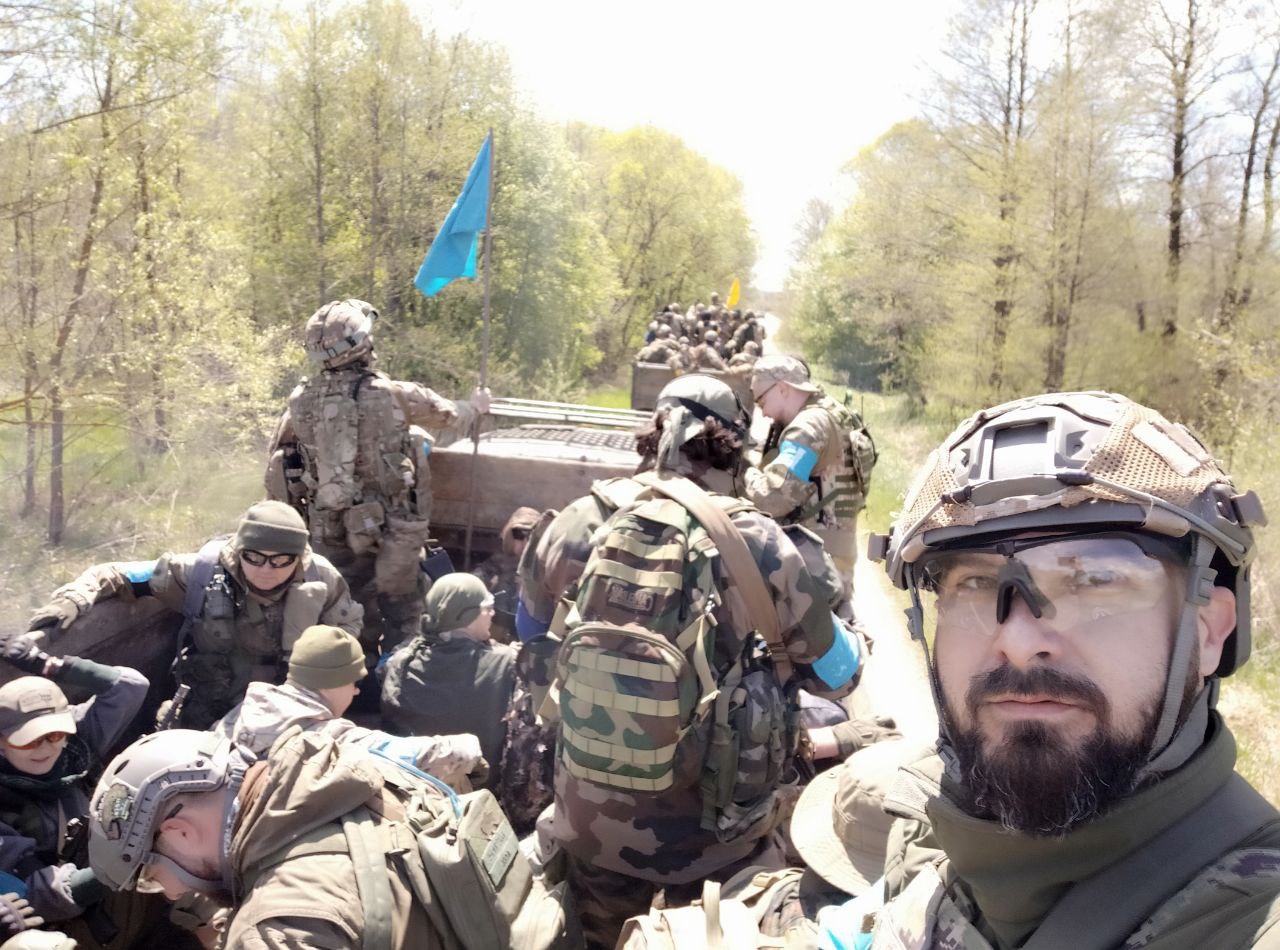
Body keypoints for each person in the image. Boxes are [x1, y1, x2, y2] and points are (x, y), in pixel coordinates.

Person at [859, 390, 1278, 948]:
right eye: (975, 583)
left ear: (1208, 631)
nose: (1017, 642)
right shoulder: (928, 830)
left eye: (1094, 580)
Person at [542, 373, 864, 948]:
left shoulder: (583, 519)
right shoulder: (758, 540)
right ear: (734, 447)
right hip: (719, 841)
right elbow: (839, 676)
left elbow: (530, 634)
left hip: (589, 822)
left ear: (655, 434)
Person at [85, 728, 447, 948]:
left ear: (180, 833)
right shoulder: (357, 773)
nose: (172, 893)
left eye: (152, 878)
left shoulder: (275, 931)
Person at [266, 298, 491, 652]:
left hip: (327, 528)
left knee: (346, 609)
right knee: (405, 613)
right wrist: (476, 407)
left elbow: (279, 460)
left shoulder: (299, 400)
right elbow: (451, 416)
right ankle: (400, 672)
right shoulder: (393, 393)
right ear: (363, 343)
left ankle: (354, 668)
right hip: (392, 530)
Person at [27, 501, 362, 730]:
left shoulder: (322, 580)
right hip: (207, 708)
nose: (266, 569)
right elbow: (118, 573)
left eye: (280, 560)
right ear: (239, 551)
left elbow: (346, 641)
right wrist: (73, 600)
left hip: (289, 710)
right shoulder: (201, 571)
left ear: (298, 557)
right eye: (254, 557)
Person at [0, 637, 161, 944]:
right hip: (72, 904)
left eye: (54, 734)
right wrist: (121, 863)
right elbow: (30, 891)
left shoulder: (75, 745)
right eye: (28, 740)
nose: (45, 748)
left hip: (111, 864)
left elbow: (130, 686)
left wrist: (48, 664)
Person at [213, 624, 485, 788]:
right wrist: (471, 750)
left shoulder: (239, 714)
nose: (356, 691)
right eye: (355, 681)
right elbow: (413, 755)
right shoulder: (326, 738)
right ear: (332, 683)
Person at [747, 355, 876, 606]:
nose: (763, 412)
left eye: (761, 400)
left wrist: (749, 473)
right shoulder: (835, 411)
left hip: (814, 565)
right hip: (836, 555)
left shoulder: (807, 429)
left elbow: (774, 498)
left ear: (782, 388)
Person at [380, 574, 516, 790]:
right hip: (481, 789)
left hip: (413, 788)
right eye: (487, 608)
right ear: (467, 617)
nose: (493, 613)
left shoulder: (401, 662)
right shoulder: (507, 662)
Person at [471, 507, 540, 643]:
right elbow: (475, 580)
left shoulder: (543, 568)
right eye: (518, 535)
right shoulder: (498, 563)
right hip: (497, 630)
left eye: (530, 536)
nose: (525, 542)